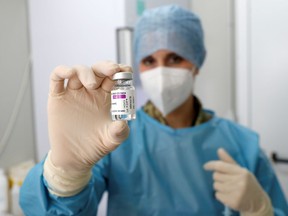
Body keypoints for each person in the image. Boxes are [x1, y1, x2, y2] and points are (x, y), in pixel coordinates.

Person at [20, 5, 288, 216]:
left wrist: (259, 211)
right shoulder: (115, 138)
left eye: (175, 57)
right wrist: (66, 175)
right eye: (149, 60)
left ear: (196, 63)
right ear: (138, 66)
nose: (161, 71)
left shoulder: (242, 143)